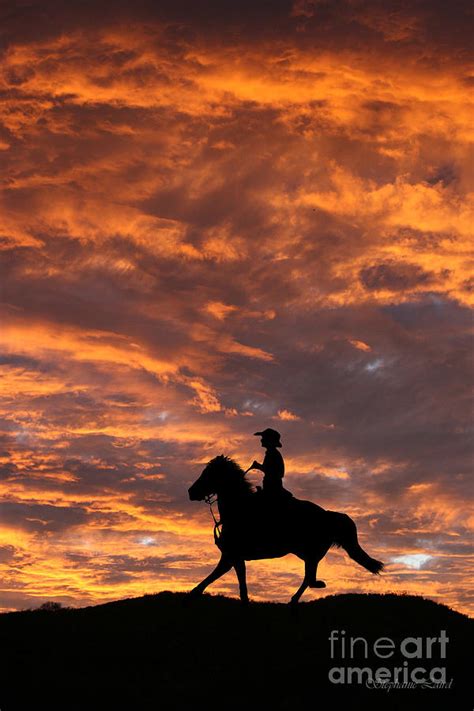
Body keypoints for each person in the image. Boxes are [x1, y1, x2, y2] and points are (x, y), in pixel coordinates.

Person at [248, 428, 292, 498]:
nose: (261, 440)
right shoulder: (272, 453)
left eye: (264, 438)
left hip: (272, 486)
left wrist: (258, 466)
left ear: (269, 440)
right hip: (271, 485)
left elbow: (270, 470)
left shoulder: (272, 453)